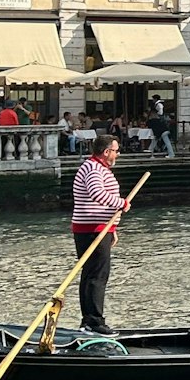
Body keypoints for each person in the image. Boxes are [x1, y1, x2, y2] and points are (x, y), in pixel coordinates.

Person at [69, 134, 130, 334]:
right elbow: (97, 194)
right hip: (93, 229)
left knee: (90, 275)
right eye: (116, 150)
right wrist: (122, 203)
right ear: (106, 152)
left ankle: (89, 320)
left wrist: (113, 228)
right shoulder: (94, 169)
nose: (117, 154)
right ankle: (95, 322)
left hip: (97, 228)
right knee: (97, 276)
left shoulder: (94, 167)